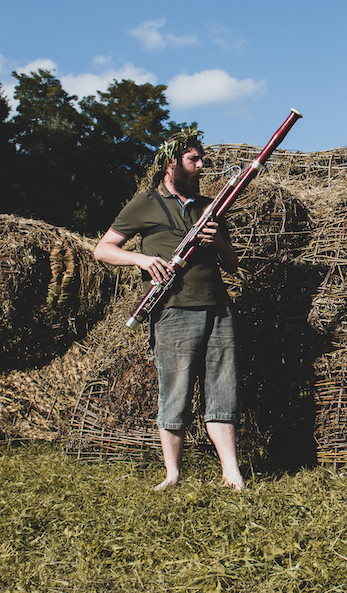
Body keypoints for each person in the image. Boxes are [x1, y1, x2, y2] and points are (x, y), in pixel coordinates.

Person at [94, 126, 245, 491]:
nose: (201, 165)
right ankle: (173, 474)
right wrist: (140, 260)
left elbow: (231, 263)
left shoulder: (211, 205)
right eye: (193, 159)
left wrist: (219, 241)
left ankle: (232, 472)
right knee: (175, 389)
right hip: (172, 309)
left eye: (201, 158)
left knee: (223, 389)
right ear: (171, 162)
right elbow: (103, 249)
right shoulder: (144, 204)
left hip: (218, 308)